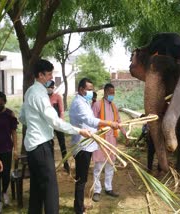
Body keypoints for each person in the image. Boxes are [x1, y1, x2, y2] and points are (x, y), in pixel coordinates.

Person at [19, 59, 91, 214]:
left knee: (37, 188)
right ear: (41, 75)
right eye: (49, 74)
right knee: (51, 190)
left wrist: (36, 123)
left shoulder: (30, 91)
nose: (51, 77)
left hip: (32, 147)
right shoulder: (39, 94)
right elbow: (55, 121)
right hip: (41, 146)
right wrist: (78, 131)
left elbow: (22, 117)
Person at [69, 79, 120, 214]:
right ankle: (79, 209)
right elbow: (90, 120)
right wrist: (109, 123)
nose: (91, 92)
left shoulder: (84, 102)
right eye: (89, 89)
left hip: (88, 145)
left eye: (92, 89)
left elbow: (90, 124)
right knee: (81, 179)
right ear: (81, 89)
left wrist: (99, 131)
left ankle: (79, 206)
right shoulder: (79, 103)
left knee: (83, 178)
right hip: (82, 146)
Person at [91, 83, 128, 202]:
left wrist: (124, 133)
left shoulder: (114, 106)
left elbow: (119, 121)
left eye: (113, 93)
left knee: (110, 164)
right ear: (105, 92)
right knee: (98, 166)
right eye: (111, 93)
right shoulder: (97, 105)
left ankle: (108, 188)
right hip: (100, 139)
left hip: (112, 139)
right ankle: (97, 190)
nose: (112, 95)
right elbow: (92, 121)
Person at [0, 92, 18, 210]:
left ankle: (4, 192)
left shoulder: (10, 114)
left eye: (1, 101)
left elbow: (14, 133)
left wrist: (15, 149)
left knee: (6, 174)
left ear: (5, 101)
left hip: (6, 149)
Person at [47, 80, 70, 173]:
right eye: (48, 87)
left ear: (53, 88)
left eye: (51, 87)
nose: (50, 89)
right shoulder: (44, 98)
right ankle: (51, 165)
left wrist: (60, 122)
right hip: (48, 125)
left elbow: (61, 111)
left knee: (62, 144)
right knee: (50, 144)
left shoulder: (57, 97)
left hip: (58, 123)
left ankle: (66, 163)